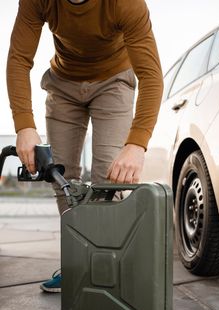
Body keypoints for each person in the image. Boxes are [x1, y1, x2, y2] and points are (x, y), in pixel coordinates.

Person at [7, 0, 164, 292]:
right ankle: (78, 263)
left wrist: (137, 143)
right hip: (63, 83)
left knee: (111, 179)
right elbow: (19, 59)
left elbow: (152, 76)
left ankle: (107, 265)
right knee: (61, 177)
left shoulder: (126, 4)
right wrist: (24, 126)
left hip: (114, 80)